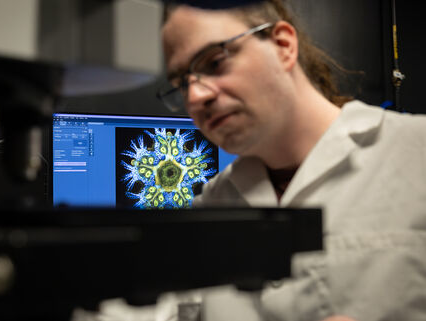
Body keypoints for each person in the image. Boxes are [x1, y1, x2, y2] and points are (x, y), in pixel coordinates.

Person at [156, 0, 426, 320]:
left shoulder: (416, 152)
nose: (195, 97)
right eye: (182, 84)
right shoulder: (214, 204)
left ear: (283, 45)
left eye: (214, 62)